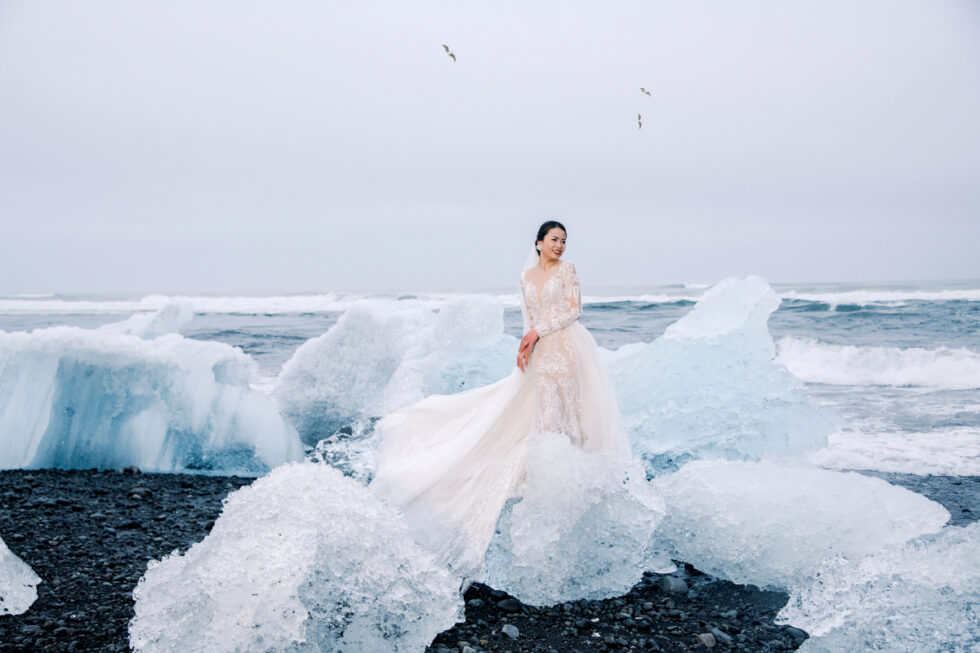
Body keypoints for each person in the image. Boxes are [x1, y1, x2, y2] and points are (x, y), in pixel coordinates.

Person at [370, 221, 630, 583]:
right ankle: (539, 480)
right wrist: (527, 344)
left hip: (569, 347)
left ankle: (573, 481)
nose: (560, 246)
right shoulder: (525, 277)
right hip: (542, 351)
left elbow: (574, 310)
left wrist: (539, 332)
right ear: (538, 242)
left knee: (570, 410)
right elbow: (529, 318)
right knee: (545, 412)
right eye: (554, 240)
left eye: (564, 241)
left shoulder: (567, 270)